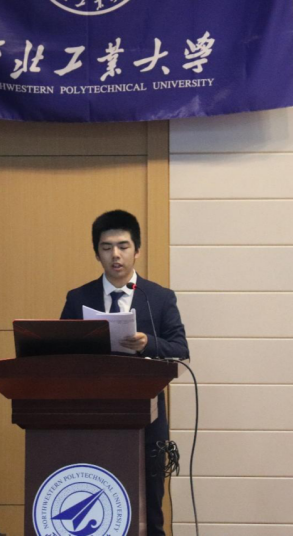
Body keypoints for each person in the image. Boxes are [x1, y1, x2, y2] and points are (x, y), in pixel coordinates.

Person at [60, 209, 189, 536]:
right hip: (93, 410)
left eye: (123, 246)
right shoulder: (79, 298)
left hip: (147, 415)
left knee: (150, 501)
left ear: (137, 250)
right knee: (97, 495)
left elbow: (180, 348)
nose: (115, 255)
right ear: (97, 253)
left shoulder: (159, 298)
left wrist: (147, 343)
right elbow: (60, 351)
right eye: (106, 247)